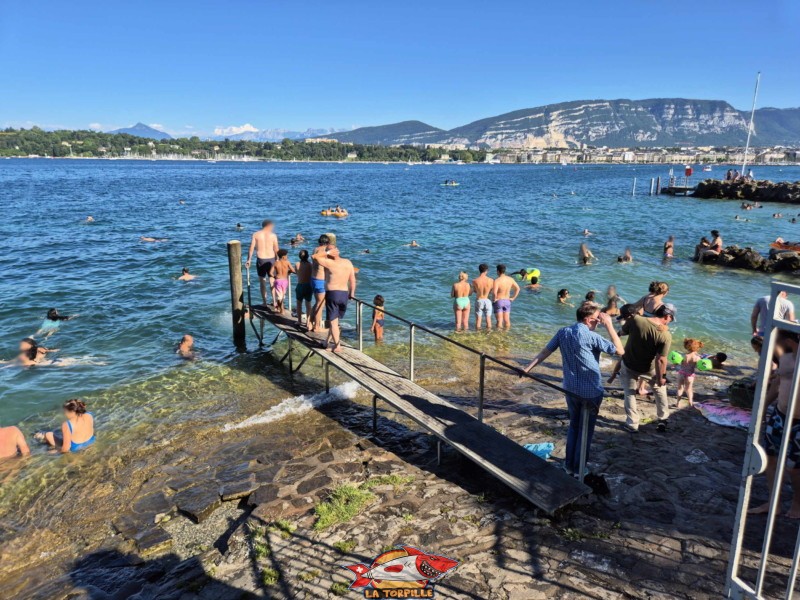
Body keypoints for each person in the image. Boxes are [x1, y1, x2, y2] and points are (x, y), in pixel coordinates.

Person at [522, 303, 625, 477]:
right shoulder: (592, 336)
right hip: (590, 391)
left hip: (570, 388)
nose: (599, 322)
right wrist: (609, 325)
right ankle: (579, 469)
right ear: (588, 320)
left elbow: (545, 351)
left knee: (574, 427)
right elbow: (620, 351)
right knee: (586, 431)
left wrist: (527, 369)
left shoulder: (563, 332)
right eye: (597, 320)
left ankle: (569, 465)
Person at [749, 330, 800, 518]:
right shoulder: (785, 359)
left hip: (799, 422)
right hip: (779, 416)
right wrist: (763, 407)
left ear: (788, 341)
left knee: (794, 467)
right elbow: (778, 384)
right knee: (770, 459)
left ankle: (797, 503)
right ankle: (773, 503)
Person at [619, 304, 676, 432]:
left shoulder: (636, 319)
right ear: (667, 316)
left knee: (629, 393)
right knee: (660, 390)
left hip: (629, 364)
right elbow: (661, 359)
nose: (670, 322)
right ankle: (663, 419)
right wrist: (662, 377)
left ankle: (632, 424)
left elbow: (622, 332)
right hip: (648, 368)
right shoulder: (665, 335)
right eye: (671, 319)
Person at [312, 245, 356, 353]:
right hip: (344, 294)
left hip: (333, 294)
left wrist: (327, 253)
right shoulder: (348, 262)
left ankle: (337, 346)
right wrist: (352, 293)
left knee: (333, 322)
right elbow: (352, 279)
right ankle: (327, 341)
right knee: (335, 321)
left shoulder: (329, 263)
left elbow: (314, 257)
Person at [245, 220, 279, 306]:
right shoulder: (273, 235)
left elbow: (251, 248)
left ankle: (264, 302)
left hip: (261, 259)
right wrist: (278, 260)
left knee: (262, 282)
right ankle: (274, 301)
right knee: (272, 281)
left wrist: (249, 260)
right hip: (271, 259)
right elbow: (276, 249)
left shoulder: (256, 234)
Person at [309, 234, 331, 333]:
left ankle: (310, 323)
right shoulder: (325, 252)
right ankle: (317, 327)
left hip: (313, 279)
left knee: (317, 302)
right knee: (320, 305)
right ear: (328, 243)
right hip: (320, 280)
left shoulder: (315, 249)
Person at [676, 338, 704, 407]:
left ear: (687, 346)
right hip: (690, 375)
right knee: (689, 389)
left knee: (680, 388)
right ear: (697, 348)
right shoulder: (697, 357)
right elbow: (700, 368)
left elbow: (676, 362)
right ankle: (690, 403)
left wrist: (674, 365)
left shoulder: (684, 355)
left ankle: (677, 403)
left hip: (681, 373)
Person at [492, 264, 520, 329]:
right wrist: (513, 298)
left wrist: (494, 299)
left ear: (498, 271)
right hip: (507, 301)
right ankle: (506, 332)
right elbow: (518, 289)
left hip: (499, 301)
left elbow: (494, 292)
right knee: (507, 320)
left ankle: (499, 334)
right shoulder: (510, 279)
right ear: (504, 271)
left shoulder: (497, 280)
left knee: (499, 321)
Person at [271, 249, 295, 314]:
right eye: (286, 255)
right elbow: (293, 270)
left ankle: (279, 308)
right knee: (282, 296)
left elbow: (270, 273)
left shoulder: (276, 263)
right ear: (283, 256)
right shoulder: (287, 262)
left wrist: (275, 277)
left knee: (279, 296)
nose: (287, 256)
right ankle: (282, 309)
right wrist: (289, 271)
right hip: (285, 281)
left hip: (278, 280)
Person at [294, 249, 313, 328]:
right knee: (308, 304)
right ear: (307, 256)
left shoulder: (297, 264)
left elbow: (297, 273)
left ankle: (299, 321)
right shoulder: (310, 265)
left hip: (300, 285)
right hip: (308, 285)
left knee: (299, 304)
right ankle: (308, 322)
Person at [472, 264, 494, 330]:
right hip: (487, 300)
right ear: (486, 270)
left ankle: (478, 333)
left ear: (479, 270)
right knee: (488, 319)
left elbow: (474, 291)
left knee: (478, 320)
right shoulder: (491, 280)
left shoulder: (475, 281)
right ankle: (489, 332)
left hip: (479, 300)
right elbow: (492, 291)